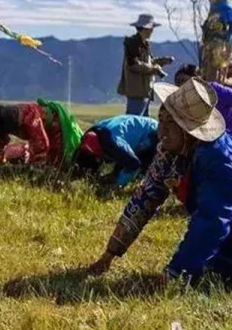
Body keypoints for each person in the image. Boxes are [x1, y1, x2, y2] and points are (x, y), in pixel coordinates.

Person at [88, 77, 232, 285]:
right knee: (210, 272)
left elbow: (212, 220)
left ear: (189, 131)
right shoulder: (169, 152)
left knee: (215, 276)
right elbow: (145, 198)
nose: (161, 131)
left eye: (171, 124)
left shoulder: (218, 158)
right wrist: (109, 255)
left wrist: (173, 274)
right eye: (161, 120)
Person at [0, 99, 83, 167]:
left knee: (57, 160)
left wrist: (35, 167)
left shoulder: (29, 118)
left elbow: (42, 144)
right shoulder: (2, 123)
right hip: (38, 135)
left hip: (54, 127)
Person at [73, 115, 158, 186]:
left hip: (152, 132)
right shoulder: (91, 134)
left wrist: (116, 185)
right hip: (134, 129)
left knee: (143, 168)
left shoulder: (114, 143)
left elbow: (134, 164)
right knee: (121, 163)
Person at [117, 14, 174, 116]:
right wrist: (154, 69)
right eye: (151, 28)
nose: (152, 31)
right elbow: (134, 65)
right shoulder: (134, 43)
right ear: (146, 29)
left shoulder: (143, 44)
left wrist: (162, 61)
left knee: (141, 121)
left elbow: (148, 62)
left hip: (143, 91)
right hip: (137, 91)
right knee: (135, 121)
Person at [174, 63, 232, 128]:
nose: (180, 85)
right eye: (177, 82)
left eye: (183, 80)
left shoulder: (213, 90)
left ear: (197, 79)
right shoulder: (182, 102)